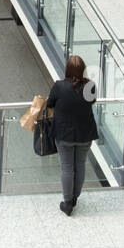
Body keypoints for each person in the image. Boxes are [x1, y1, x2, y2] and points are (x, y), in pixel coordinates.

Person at [46, 55, 99, 216]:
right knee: (80, 165)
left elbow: (50, 104)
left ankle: (67, 202)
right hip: (85, 132)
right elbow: (92, 102)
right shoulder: (90, 86)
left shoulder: (59, 86)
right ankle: (75, 197)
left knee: (67, 167)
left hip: (64, 134)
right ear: (83, 69)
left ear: (67, 69)